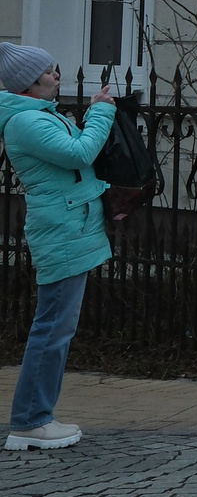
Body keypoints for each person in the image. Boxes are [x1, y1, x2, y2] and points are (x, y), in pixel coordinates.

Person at [2, 43, 115, 452]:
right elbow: (79, 153)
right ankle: (30, 421)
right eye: (50, 71)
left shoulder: (37, 116)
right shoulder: (26, 122)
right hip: (61, 230)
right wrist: (100, 112)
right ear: (30, 83)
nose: (56, 76)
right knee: (52, 328)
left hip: (70, 225)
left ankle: (33, 417)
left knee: (56, 327)